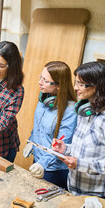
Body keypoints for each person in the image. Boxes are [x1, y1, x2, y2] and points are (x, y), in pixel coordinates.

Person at [52, 62, 105, 202]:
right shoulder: (84, 111)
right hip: (73, 188)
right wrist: (65, 148)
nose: (75, 88)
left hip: (95, 196)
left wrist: (79, 164)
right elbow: (85, 149)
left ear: (97, 86)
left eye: (80, 84)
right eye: (76, 83)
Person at [28, 61, 77, 189]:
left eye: (45, 80)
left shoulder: (70, 111)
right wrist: (31, 142)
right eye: (40, 77)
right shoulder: (44, 99)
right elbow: (38, 127)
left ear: (59, 86)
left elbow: (61, 143)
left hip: (53, 170)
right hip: (38, 161)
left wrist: (42, 164)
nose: (40, 82)